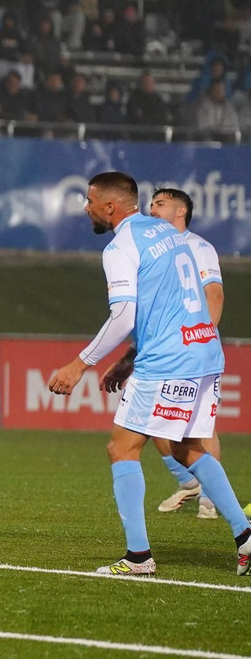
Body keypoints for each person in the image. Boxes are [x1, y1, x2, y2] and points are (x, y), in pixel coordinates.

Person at [46, 171, 250, 576]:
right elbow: (164, 303)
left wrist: (79, 364)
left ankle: (138, 557)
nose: (85, 208)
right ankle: (246, 535)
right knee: (187, 448)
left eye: (90, 201)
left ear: (110, 206)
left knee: (121, 448)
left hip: (167, 361)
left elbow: (124, 315)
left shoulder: (121, 246)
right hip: (205, 351)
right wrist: (129, 359)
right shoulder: (168, 233)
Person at [98, 187, 228, 519]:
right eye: (152, 203)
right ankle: (191, 482)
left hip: (189, 349)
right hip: (163, 350)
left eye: (161, 204)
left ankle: (210, 500)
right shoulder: (155, 244)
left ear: (181, 211)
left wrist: (199, 335)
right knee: (157, 424)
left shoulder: (199, 247)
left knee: (199, 431)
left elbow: (214, 296)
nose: (153, 209)